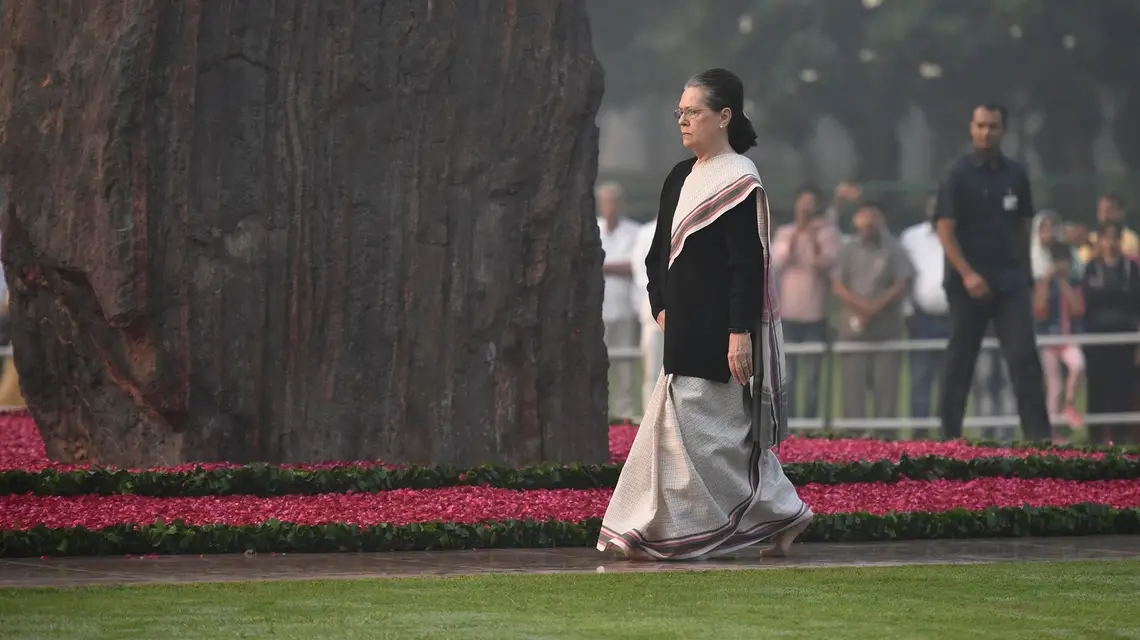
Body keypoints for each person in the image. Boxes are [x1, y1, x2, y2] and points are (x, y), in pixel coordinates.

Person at [597, 68, 812, 561]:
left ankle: (657, 531)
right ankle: (784, 514)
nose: (683, 120)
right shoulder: (679, 176)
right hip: (681, 329)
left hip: (722, 332)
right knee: (695, 440)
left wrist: (740, 334)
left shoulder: (739, 178)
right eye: (680, 112)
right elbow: (656, 255)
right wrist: (660, 306)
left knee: (706, 442)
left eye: (693, 111)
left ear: (724, 116)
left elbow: (745, 267)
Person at [934, 103, 1052, 442]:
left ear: (1004, 130)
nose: (986, 132)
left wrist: (1026, 276)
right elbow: (945, 229)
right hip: (967, 283)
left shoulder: (1016, 174)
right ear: (972, 128)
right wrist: (968, 274)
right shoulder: (957, 174)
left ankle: (1040, 439)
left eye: (993, 126)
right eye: (981, 126)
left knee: (1024, 359)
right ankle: (949, 438)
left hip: (1009, 281)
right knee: (960, 362)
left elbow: (1024, 227)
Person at [832, 202, 913, 435]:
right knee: (852, 392)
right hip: (853, 332)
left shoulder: (893, 248)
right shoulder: (848, 249)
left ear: (881, 219)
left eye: (873, 215)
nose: (868, 221)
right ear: (856, 220)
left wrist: (875, 308)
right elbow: (838, 285)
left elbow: (901, 283)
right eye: (863, 216)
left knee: (886, 392)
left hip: (885, 331)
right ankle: (852, 444)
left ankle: (886, 442)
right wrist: (861, 307)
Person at [770, 185, 839, 420]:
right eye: (803, 204)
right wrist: (798, 233)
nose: (806, 208)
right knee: (787, 375)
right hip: (788, 315)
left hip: (815, 317)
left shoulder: (827, 233)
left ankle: (810, 423)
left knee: (812, 377)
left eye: (810, 204)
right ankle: (789, 422)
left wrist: (812, 235)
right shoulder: (785, 233)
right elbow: (779, 262)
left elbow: (825, 263)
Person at [1081, 224, 1140, 444]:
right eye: (1107, 238)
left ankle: (1120, 436)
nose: (1111, 243)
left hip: (1125, 339)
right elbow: (1089, 301)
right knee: (1097, 387)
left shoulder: (1131, 268)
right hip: (1096, 339)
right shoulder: (1092, 267)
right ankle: (1095, 438)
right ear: (1101, 241)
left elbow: (1135, 302)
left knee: (1122, 387)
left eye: (1116, 239)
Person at [900, 193, 948, 433]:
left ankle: (947, 437)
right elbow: (904, 278)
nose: (936, 210)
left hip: (953, 319)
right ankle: (920, 437)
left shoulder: (960, 234)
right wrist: (908, 311)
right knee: (920, 379)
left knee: (949, 380)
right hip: (922, 319)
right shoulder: (912, 237)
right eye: (932, 206)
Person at [597, 182, 642, 420]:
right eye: (606, 202)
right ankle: (601, 411)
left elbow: (634, 266)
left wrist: (602, 267)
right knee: (598, 365)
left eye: (613, 202)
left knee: (625, 365)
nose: (610, 207)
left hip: (624, 307)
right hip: (598, 310)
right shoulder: (594, 228)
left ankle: (625, 413)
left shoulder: (634, 232)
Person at [1033, 242, 1086, 431]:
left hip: (1068, 338)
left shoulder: (1076, 283)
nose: (1061, 266)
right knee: (1054, 388)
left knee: (1078, 365)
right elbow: (1039, 309)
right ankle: (1051, 431)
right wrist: (1047, 281)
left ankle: (1070, 404)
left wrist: (1065, 285)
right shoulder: (1043, 283)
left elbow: (1077, 309)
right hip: (1049, 340)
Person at [630, 216, 663, 413]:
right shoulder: (646, 232)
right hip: (653, 306)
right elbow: (640, 269)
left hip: (683, 307)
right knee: (653, 367)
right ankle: (650, 414)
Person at [1079, 192, 1139, 263]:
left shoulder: (1130, 238)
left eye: (1109, 210)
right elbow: (1083, 263)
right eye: (1101, 210)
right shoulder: (1091, 238)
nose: (1105, 215)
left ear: (1121, 213)